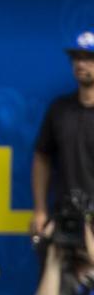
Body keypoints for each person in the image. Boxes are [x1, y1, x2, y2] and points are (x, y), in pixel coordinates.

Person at [31, 31, 94, 237]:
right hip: (65, 217)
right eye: (77, 58)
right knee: (53, 269)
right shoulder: (59, 109)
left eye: (88, 58)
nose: (81, 65)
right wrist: (40, 210)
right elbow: (42, 157)